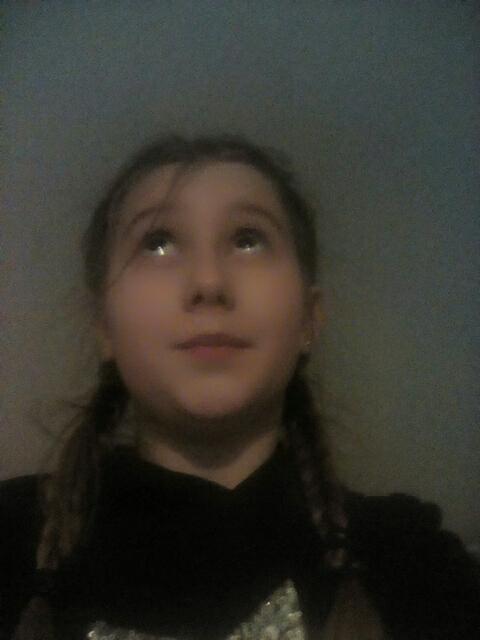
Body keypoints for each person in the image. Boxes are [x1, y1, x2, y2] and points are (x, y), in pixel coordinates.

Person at [1, 135, 479, 640]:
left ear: (309, 318)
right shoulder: (9, 538)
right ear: (104, 326)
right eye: (158, 242)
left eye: (249, 239)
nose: (209, 282)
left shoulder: (412, 563)